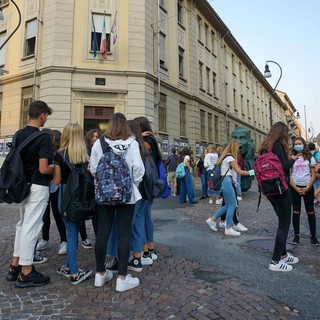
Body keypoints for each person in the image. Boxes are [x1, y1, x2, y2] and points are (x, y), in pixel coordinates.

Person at [90, 113, 145, 292]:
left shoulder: (100, 143)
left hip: (104, 196)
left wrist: (105, 185)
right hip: (127, 196)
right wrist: (130, 185)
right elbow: (138, 169)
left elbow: (93, 168)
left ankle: (100, 274)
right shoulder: (133, 143)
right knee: (124, 234)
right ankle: (122, 278)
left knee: (102, 233)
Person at [6, 100, 53, 287]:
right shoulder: (43, 138)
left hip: (22, 185)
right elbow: (43, 168)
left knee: (22, 224)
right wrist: (55, 168)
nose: (46, 119)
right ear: (42, 114)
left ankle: (15, 265)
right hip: (37, 186)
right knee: (31, 227)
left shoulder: (18, 134)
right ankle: (26, 271)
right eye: (46, 115)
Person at [257, 122, 299, 272]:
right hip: (281, 189)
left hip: (270, 190)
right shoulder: (277, 146)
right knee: (284, 224)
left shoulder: (265, 146)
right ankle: (275, 261)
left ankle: (283, 254)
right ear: (282, 133)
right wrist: (293, 159)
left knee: (282, 221)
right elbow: (284, 166)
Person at [54, 123, 92, 285]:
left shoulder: (60, 155)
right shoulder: (85, 156)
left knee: (70, 235)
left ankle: (74, 273)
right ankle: (69, 267)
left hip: (65, 196)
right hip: (80, 197)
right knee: (74, 231)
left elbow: (56, 181)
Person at [206, 139, 253, 236]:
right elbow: (239, 171)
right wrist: (253, 172)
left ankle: (212, 220)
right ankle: (228, 227)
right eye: (239, 147)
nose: (240, 149)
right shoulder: (230, 158)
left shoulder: (225, 157)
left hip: (225, 182)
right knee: (232, 205)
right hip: (227, 181)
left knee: (227, 205)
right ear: (234, 147)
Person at [134, 116, 162, 261]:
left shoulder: (146, 141)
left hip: (144, 184)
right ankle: (149, 249)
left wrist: (136, 137)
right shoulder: (150, 140)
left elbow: (138, 152)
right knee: (145, 216)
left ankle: (145, 250)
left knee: (140, 217)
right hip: (149, 183)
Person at [37, 129, 67, 255]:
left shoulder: (59, 154)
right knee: (44, 214)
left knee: (57, 213)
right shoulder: (44, 151)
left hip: (56, 187)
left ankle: (64, 240)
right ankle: (45, 238)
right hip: (45, 186)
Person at [290, 137, 319, 246]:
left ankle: (313, 237)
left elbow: (314, 174)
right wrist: (296, 188)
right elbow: (289, 175)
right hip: (295, 187)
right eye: (296, 144)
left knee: (310, 211)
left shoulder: (310, 157)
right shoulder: (292, 158)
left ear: (304, 144)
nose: (297, 145)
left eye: (299, 143)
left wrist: (308, 187)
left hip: (308, 186)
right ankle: (296, 236)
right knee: (296, 211)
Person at [78, 129, 101, 249]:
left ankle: (98, 236)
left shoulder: (99, 150)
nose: (95, 138)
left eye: (97, 136)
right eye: (93, 136)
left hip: (96, 185)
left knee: (96, 214)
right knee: (83, 212)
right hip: (85, 185)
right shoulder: (84, 151)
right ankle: (84, 237)